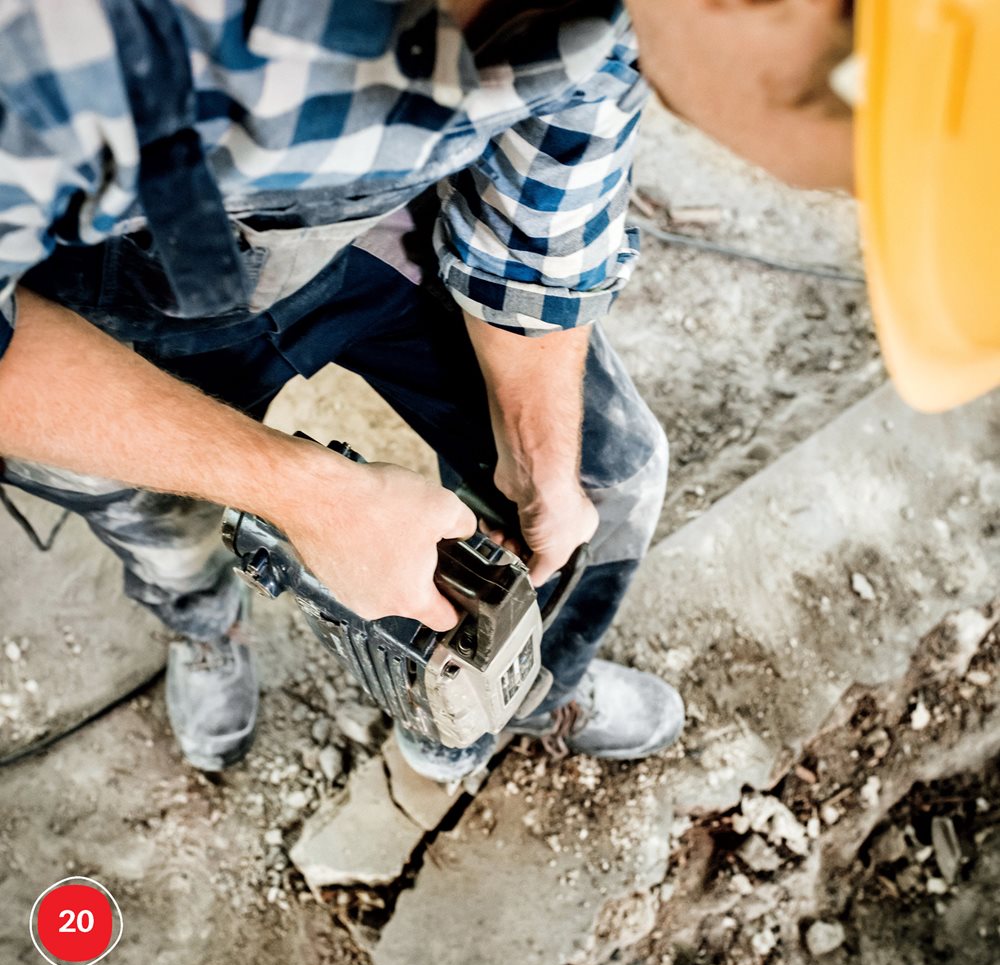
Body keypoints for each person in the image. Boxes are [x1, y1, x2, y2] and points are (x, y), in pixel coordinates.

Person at [0, 0, 853, 777]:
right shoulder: (57, 36)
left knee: (600, 476)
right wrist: (312, 497)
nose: (843, 190)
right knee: (164, 527)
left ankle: (502, 703)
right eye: (845, 157)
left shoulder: (613, 15)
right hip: (89, 307)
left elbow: (538, 230)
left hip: (362, 236)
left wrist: (536, 455)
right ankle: (205, 625)